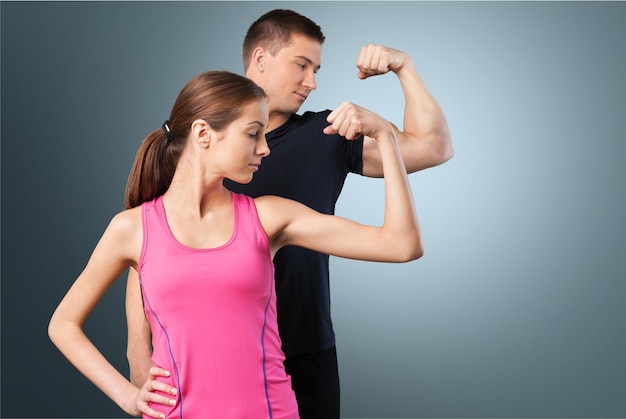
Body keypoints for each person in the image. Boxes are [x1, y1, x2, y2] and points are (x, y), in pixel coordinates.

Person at [128, 9, 453, 419]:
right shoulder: (202, 145)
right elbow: (145, 273)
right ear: (260, 59)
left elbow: (434, 147)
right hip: (205, 367)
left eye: (316, 69)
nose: (312, 83)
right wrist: (144, 381)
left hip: (305, 349)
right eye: (301, 65)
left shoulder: (327, 136)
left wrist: (404, 67)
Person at [48, 70, 422, 419]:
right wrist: (126, 395)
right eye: (252, 133)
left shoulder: (268, 217)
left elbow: (401, 244)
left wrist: (386, 138)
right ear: (203, 133)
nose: (265, 148)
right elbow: (64, 324)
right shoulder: (132, 229)